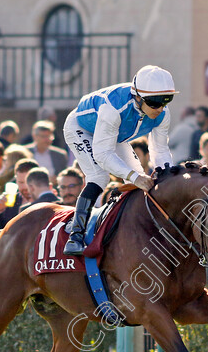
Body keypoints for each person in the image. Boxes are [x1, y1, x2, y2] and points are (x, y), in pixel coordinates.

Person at [62, 65, 177, 255]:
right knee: (100, 177)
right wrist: (134, 176)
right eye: (155, 102)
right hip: (81, 129)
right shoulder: (113, 108)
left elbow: (160, 151)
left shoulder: (163, 113)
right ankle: (75, 235)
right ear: (137, 97)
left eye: (166, 100)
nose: (161, 108)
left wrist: (167, 178)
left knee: (138, 178)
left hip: (112, 134)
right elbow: (102, 154)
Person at [0, 158, 39, 229]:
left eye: (28, 182)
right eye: (21, 182)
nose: (25, 187)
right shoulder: (10, 201)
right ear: (16, 181)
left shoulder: (46, 199)